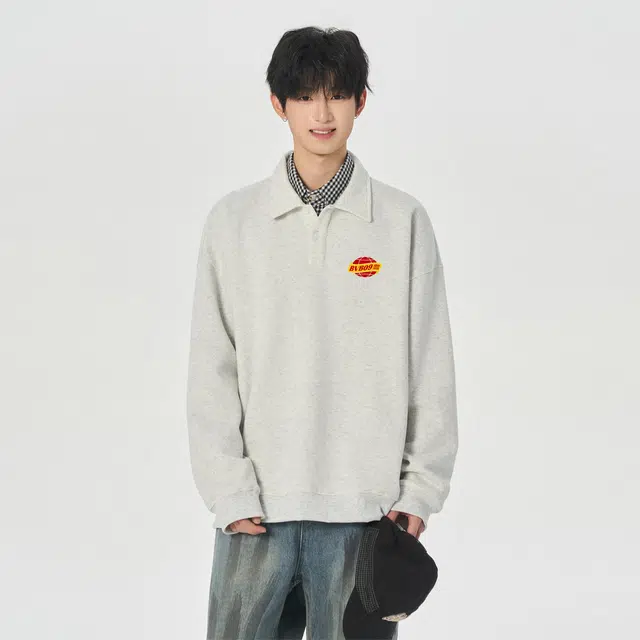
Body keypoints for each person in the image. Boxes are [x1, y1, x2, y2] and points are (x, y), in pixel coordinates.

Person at [186, 25, 459, 640]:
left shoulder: (401, 222)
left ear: (361, 101)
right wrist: (228, 492)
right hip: (258, 511)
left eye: (337, 94)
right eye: (305, 96)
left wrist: (419, 492)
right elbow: (211, 366)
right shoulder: (233, 223)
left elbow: (430, 365)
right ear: (277, 103)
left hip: (366, 513)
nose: (322, 113)